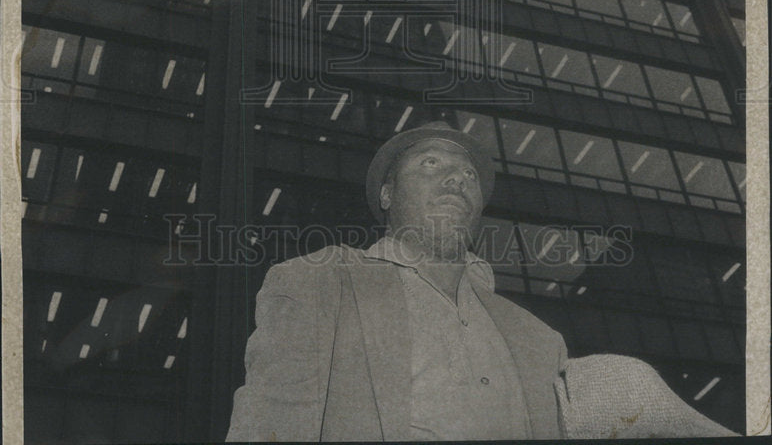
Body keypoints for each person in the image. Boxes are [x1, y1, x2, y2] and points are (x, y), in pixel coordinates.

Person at [227, 121, 735, 441]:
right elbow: (273, 418)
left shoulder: (537, 337)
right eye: (431, 164)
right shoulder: (321, 281)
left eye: (467, 174)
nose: (456, 178)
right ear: (386, 195)